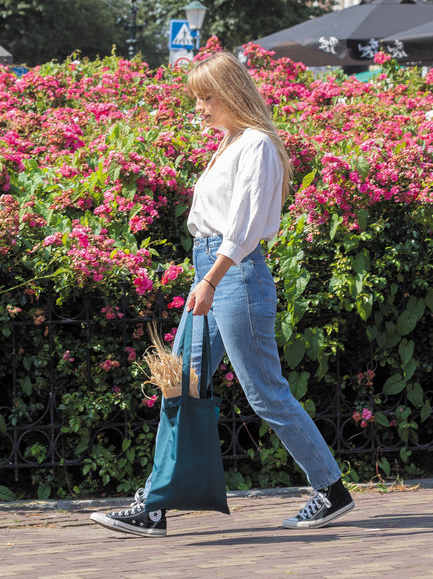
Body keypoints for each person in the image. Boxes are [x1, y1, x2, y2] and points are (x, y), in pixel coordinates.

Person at [90, 51, 353, 537]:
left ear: (232, 93)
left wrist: (211, 279)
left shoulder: (257, 144)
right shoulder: (232, 143)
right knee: (179, 383)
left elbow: (245, 226)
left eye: (207, 97)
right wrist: (204, 275)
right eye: (197, 99)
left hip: (234, 274)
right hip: (211, 269)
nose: (200, 109)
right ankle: (154, 504)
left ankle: (331, 489)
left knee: (264, 391)